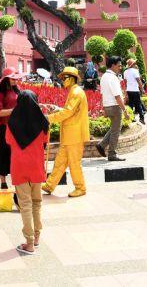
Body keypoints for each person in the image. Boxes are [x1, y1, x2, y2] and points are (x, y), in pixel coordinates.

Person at [5, 90, 49, 254]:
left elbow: (8, 141)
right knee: (37, 202)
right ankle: (36, 238)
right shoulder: (43, 121)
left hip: (19, 167)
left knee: (25, 205)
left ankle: (29, 243)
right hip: (36, 166)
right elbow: (44, 140)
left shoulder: (12, 122)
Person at [42, 67, 89, 197]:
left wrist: (49, 118)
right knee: (60, 161)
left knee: (74, 163)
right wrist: (57, 109)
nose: (62, 80)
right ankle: (50, 185)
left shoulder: (75, 92)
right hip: (69, 135)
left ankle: (80, 188)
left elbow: (68, 112)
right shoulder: (74, 91)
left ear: (71, 78)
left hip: (74, 135)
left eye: (64, 78)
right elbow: (70, 110)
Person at [0, 68, 22, 189]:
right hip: (4, 128)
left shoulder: (18, 90)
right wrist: (15, 111)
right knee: (2, 155)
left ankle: (18, 181)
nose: (15, 80)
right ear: (6, 79)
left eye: (16, 78)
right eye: (13, 78)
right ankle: (3, 182)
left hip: (16, 128)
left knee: (16, 156)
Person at [97, 56, 130, 161]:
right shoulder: (113, 78)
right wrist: (125, 111)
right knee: (116, 130)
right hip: (115, 107)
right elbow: (117, 96)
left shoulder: (104, 77)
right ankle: (112, 154)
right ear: (113, 65)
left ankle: (102, 145)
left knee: (114, 128)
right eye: (119, 65)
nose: (120, 67)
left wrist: (104, 108)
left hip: (107, 106)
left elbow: (102, 94)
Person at [123, 59, 145, 124]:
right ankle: (141, 118)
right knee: (138, 104)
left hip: (129, 90)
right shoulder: (135, 71)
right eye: (134, 63)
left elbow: (125, 82)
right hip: (135, 90)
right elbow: (138, 80)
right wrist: (142, 89)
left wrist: (125, 91)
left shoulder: (125, 72)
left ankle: (132, 118)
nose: (135, 64)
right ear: (133, 64)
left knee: (130, 104)